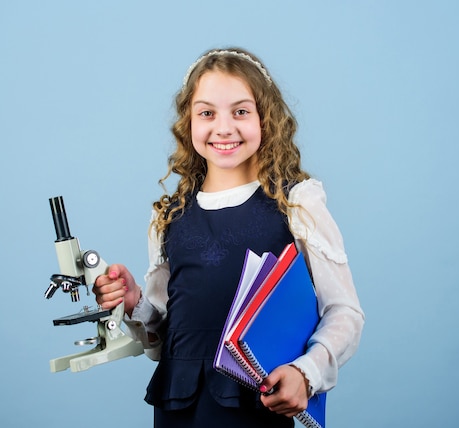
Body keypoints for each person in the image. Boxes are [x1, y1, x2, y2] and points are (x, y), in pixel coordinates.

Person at [93, 47, 364, 428]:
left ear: (265, 120)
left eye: (240, 111)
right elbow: (167, 337)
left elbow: (345, 312)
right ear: (188, 122)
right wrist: (134, 301)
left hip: (255, 409)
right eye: (207, 113)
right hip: (177, 410)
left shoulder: (296, 203)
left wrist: (307, 373)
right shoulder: (168, 217)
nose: (223, 128)